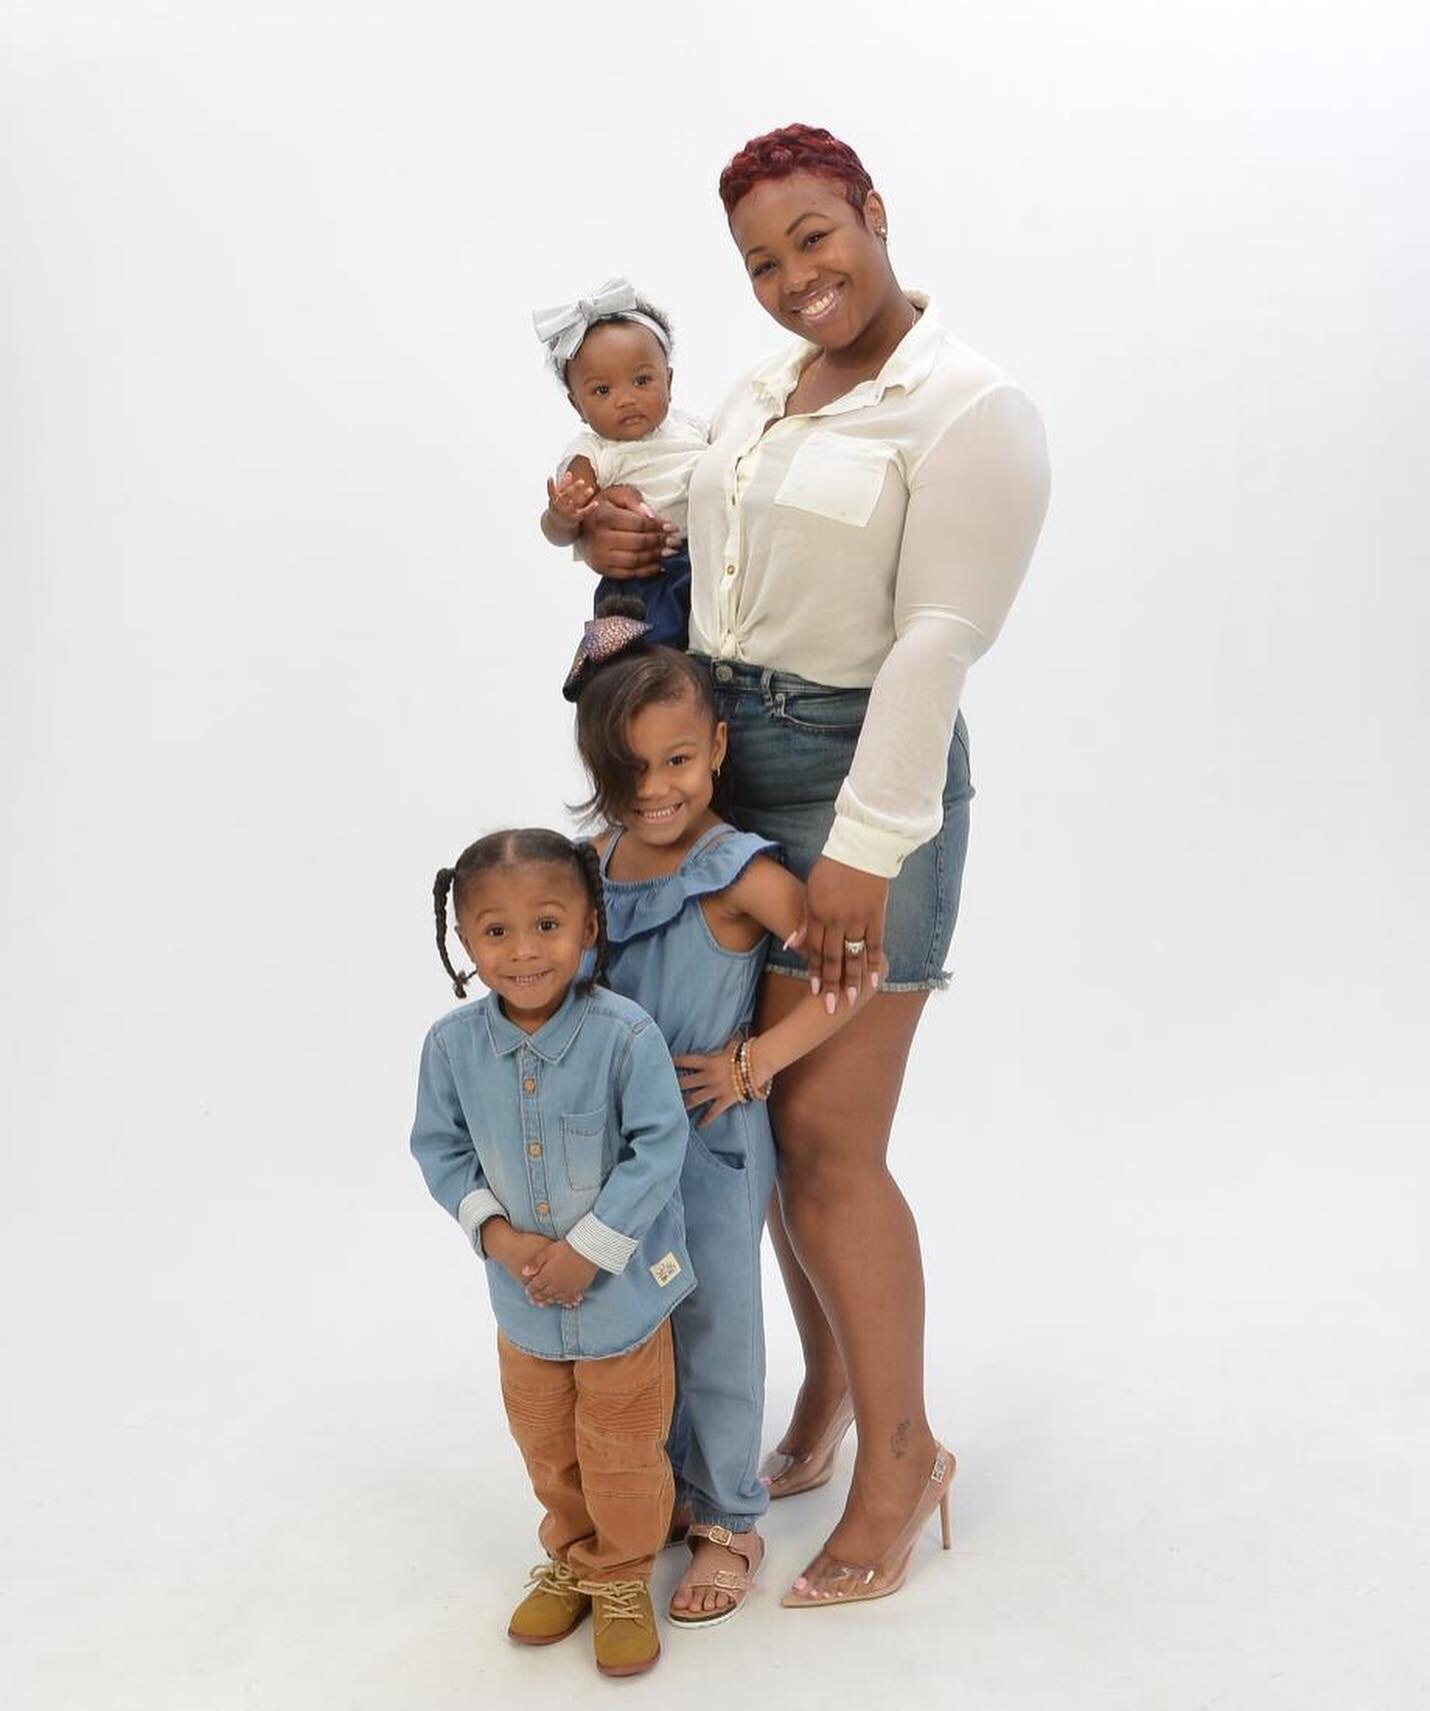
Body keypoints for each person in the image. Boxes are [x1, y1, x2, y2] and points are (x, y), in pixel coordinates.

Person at [575, 124, 1051, 1609]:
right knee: (762, 1130)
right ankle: (832, 1390)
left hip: (861, 778)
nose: (793, 278)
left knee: (831, 1141)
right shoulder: (763, 390)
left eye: (813, 238)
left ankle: (904, 1455)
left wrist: (860, 844)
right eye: (760, 261)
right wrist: (599, 534)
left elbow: (934, 643)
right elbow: (700, 549)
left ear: (873, 213)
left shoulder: (969, 409)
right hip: (720, 771)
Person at [563, 598, 879, 1625]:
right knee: (631, 1317)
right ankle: (655, 1484)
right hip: (618, 1147)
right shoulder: (596, 863)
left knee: (715, 1324)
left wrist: (757, 1060)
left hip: (708, 1138)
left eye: (677, 761)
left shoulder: (739, 870)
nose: (655, 788)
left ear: (716, 752)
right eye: (630, 769)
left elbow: (854, 973)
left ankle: (729, 1517)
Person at [409, 828, 691, 1677]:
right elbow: (440, 1148)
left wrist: (589, 1251)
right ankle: (573, 1556)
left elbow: (659, 1146)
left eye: (546, 924)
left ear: (588, 926)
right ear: (466, 941)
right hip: (523, 1308)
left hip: (622, 1304)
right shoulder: (451, 1046)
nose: (524, 950)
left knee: (622, 1446)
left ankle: (623, 1574)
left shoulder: (625, 1036)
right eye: (496, 931)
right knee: (547, 1444)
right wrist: (498, 1236)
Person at [535, 277, 706, 647]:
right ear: (577, 405)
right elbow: (561, 531)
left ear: (669, 381)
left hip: (705, 562)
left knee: (705, 655)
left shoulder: (694, 429)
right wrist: (562, 516)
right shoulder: (592, 453)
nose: (626, 399)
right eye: (602, 390)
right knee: (638, 663)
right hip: (640, 579)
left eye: (642, 380)